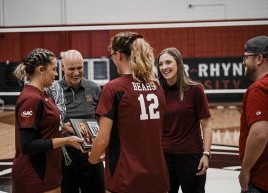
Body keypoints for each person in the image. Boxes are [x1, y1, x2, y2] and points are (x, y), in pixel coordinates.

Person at [88, 31, 170, 193]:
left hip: (125, 178)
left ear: (118, 55)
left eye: (112, 55)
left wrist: (92, 160)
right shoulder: (157, 87)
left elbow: (102, 139)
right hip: (157, 177)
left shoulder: (113, 88)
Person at [12, 48, 83, 193]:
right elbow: (27, 145)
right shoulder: (31, 98)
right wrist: (67, 140)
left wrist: (63, 128)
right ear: (41, 70)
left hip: (49, 172)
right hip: (35, 176)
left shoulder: (43, 94)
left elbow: (42, 131)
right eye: (54, 69)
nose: (56, 74)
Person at [48, 50, 105, 193]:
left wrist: (102, 145)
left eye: (79, 68)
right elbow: (47, 123)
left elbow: (102, 120)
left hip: (91, 154)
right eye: (71, 69)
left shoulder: (94, 88)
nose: (76, 72)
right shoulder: (52, 91)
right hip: (64, 156)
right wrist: (65, 128)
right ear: (62, 68)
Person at [157, 47, 212, 193]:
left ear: (179, 63)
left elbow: (206, 125)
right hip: (164, 157)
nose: (164, 67)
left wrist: (206, 154)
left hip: (191, 157)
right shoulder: (157, 92)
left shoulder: (195, 90)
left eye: (168, 62)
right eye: (161, 64)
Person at [238, 35, 268, 193]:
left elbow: (260, 133)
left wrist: (245, 170)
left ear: (259, 59)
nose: (244, 62)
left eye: (246, 57)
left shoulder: (259, 88)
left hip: (261, 180)